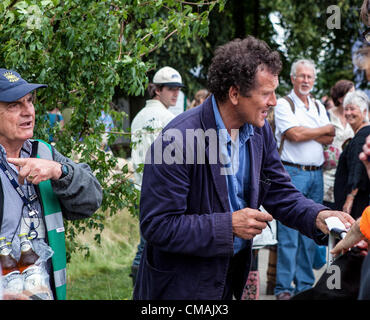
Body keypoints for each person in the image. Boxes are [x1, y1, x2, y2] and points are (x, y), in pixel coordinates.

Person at [132, 37, 354, 300]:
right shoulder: (178, 138)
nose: (274, 101)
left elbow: (281, 193)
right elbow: (158, 226)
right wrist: (228, 226)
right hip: (181, 286)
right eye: (265, 93)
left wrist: (318, 216)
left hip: (227, 280)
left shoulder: (259, 133)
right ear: (234, 93)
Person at [0, 68, 103, 300]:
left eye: (29, 101)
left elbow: (92, 200)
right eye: (14, 105)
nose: (28, 111)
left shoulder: (44, 152)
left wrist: (60, 171)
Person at [273, 59, 336, 300]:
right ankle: (283, 288)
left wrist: (308, 132)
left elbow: (330, 137)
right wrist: (318, 131)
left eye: (310, 77)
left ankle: (304, 285)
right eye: (302, 76)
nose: (306, 80)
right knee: (289, 233)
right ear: (292, 78)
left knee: (313, 230)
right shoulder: (283, 104)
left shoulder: (318, 105)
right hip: (293, 172)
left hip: (315, 173)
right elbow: (294, 134)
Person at [129, 66, 184, 287]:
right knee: (151, 245)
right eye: (170, 89)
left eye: (178, 89)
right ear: (157, 90)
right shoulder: (168, 118)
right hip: (159, 191)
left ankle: (142, 287)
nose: (176, 94)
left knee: (147, 242)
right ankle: (143, 289)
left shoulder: (139, 117)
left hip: (140, 188)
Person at [334, 90, 370, 220]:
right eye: (346, 109)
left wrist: (350, 198)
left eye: (353, 109)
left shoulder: (361, 137)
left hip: (357, 203)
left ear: (364, 112)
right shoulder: (363, 133)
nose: (348, 113)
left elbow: (357, 168)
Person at [323, 80, 355, 210]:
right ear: (341, 98)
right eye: (351, 94)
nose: (354, 98)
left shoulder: (355, 115)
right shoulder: (327, 115)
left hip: (348, 172)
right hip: (328, 173)